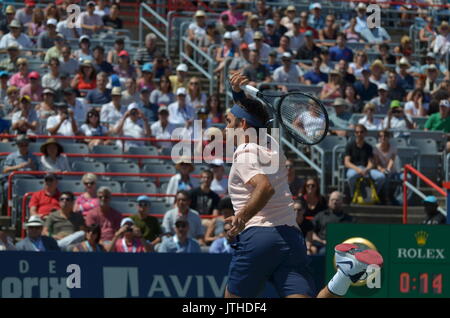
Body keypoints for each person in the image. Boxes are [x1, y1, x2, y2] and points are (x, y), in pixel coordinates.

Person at [225, 72, 383, 298]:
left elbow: (264, 188)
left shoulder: (245, 152)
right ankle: (343, 277)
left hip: (258, 237)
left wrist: (241, 217)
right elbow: (250, 114)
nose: (224, 128)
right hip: (291, 239)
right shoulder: (271, 145)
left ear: (242, 125)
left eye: (228, 122)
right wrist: (238, 93)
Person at [344, 124, 386, 198]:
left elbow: (371, 162)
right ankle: (352, 195)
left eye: (361, 132)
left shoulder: (368, 147)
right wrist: (358, 169)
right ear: (355, 133)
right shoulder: (350, 145)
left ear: (365, 133)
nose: (359, 134)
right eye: (357, 132)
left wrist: (367, 169)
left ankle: (373, 195)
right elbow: (347, 162)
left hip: (366, 169)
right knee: (350, 176)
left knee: (381, 177)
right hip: (354, 169)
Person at [374, 129, 400, 204]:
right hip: (379, 170)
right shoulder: (375, 148)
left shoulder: (393, 147)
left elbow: (392, 160)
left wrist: (387, 169)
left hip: (391, 170)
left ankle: (392, 198)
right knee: (384, 176)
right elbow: (376, 162)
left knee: (407, 178)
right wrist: (381, 169)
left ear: (389, 137)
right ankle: (384, 197)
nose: (383, 138)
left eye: (385, 136)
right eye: (381, 136)